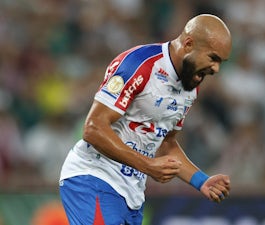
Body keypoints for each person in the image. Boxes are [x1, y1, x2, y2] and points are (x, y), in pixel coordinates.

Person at [59, 14, 232, 225]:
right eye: (213, 58)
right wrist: (148, 165)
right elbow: (93, 128)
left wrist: (201, 181)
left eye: (221, 62)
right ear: (188, 44)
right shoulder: (139, 64)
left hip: (132, 193)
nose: (216, 69)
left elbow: (166, 144)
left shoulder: (190, 87)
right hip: (93, 178)